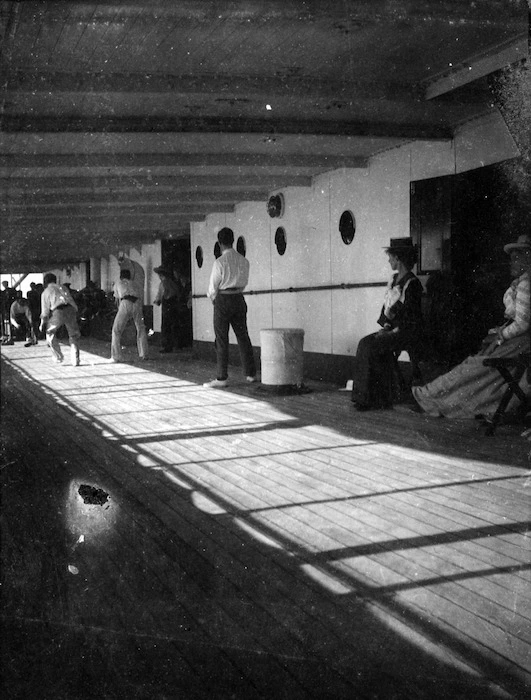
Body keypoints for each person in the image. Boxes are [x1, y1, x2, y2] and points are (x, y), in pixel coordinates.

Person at [411, 234, 530, 419]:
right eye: (512, 258)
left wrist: (502, 334)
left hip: (519, 343)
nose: (511, 262)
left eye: (517, 258)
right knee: (473, 366)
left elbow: (523, 323)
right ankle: (430, 396)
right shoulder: (520, 282)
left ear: (528, 258)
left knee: (475, 368)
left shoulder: (526, 284)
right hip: (514, 341)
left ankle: (431, 397)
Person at [351, 237, 423, 410]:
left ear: (398, 258)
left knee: (371, 345)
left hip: (407, 332)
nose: (389, 260)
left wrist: (392, 330)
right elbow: (386, 310)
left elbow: (411, 317)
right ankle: (373, 396)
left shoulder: (412, 284)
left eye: (390, 257)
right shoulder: (393, 280)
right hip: (392, 329)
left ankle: (371, 398)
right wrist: (386, 326)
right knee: (366, 343)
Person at [203, 227, 257, 387]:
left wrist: (214, 300)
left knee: (221, 339)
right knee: (243, 336)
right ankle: (251, 374)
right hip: (239, 299)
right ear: (232, 240)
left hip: (223, 299)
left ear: (219, 243)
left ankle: (222, 378)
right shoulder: (244, 260)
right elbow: (244, 282)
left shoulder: (219, 262)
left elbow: (213, 287)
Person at [40, 273, 81, 366]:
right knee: (73, 335)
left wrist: (42, 323)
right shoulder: (63, 287)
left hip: (58, 311)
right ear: (55, 280)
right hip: (71, 309)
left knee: (50, 333)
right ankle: (75, 360)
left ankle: (58, 357)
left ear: (45, 282)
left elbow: (45, 312)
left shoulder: (46, 292)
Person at [110, 268, 150, 362]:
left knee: (116, 330)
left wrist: (119, 310)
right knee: (140, 328)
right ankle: (144, 354)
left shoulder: (118, 283)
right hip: (137, 303)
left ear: (121, 276)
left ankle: (116, 356)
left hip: (125, 303)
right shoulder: (135, 283)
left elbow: (116, 299)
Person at [153, 266, 182, 353]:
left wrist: (157, 301)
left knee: (166, 326)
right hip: (174, 304)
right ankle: (176, 344)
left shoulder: (162, 284)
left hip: (167, 304)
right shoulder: (172, 283)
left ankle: (167, 346)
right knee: (174, 324)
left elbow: (160, 295)